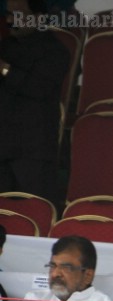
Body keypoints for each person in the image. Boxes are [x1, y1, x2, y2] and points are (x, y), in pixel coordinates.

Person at [0, 0, 71, 207]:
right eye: (8, 15)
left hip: (32, 153)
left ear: (38, 17)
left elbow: (38, 88)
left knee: (33, 210)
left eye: (17, 15)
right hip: (3, 146)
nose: (10, 20)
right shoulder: (5, 47)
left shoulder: (56, 51)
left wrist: (4, 69)